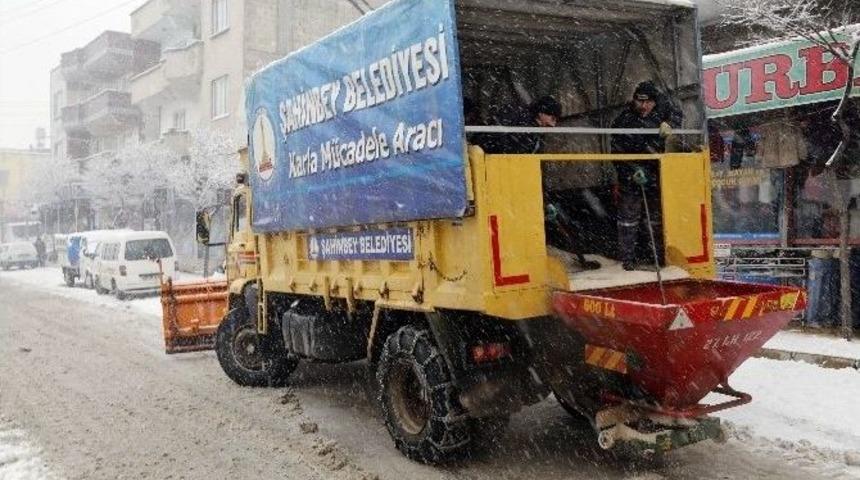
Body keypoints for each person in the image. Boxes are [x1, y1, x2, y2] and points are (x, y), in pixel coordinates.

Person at [611, 81, 682, 271]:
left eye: (648, 102)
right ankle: (628, 259)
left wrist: (670, 123)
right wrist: (631, 171)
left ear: (654, 101)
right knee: (628, 220)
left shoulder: (662, 109)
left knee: (656, 219)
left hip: (655, 173)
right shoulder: (624, 120)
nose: (643, 106)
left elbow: (677, 113)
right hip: (631, 175)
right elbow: (616, 153)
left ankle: (657, 256)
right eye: (639, 102)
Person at [478, 96, 562, 154]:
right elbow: (493, 139)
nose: (553, 124)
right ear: (541, 113)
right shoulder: (519, 119)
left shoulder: (538, 130)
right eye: (552, 118)